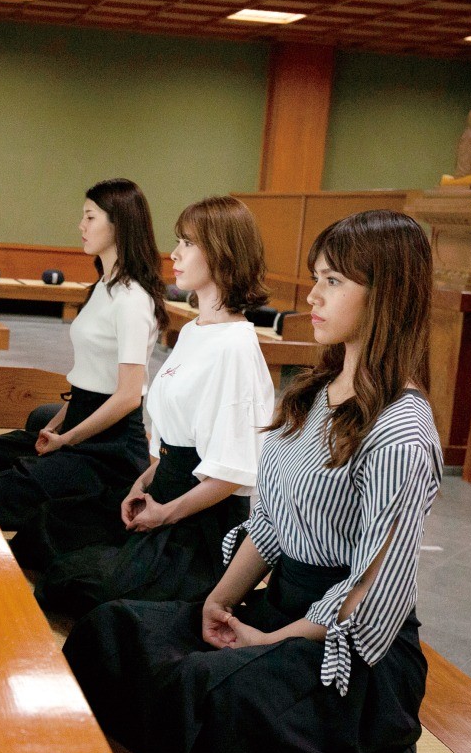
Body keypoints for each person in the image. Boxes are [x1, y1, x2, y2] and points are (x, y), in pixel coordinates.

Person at [63, 209, 443, 753]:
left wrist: (268, 641)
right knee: (111, 632)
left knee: (199, 691)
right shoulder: (316, 392)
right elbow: (268, 528)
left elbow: (368, 597)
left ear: (387, 295)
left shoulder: (401, 431)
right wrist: (218, 603)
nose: (312, 295)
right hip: (278, 610)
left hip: (345, 656)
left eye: (333, 281)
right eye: (316, 277)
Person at [14, 196, 275, 619]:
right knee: (46, 530)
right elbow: (173, 440)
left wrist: (164, 513)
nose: (175, 254)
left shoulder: (236, 349)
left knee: (78, 588)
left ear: (222, 252)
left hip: (200, 527)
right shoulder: (195, 330)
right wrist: (142, 484)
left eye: (187, 243)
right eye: (178, 241)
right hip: (163, 490)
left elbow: (230, 475)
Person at [0, 178, 168, 534]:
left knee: (0, 495)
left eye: (90, 217)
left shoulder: (132, 300)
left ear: (118, 224)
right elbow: (88, 378)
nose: (81, 226)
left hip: (111, 449)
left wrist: (68, 439)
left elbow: (127, 397)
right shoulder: (103, 286)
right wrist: (56, 425)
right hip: (78, 424)